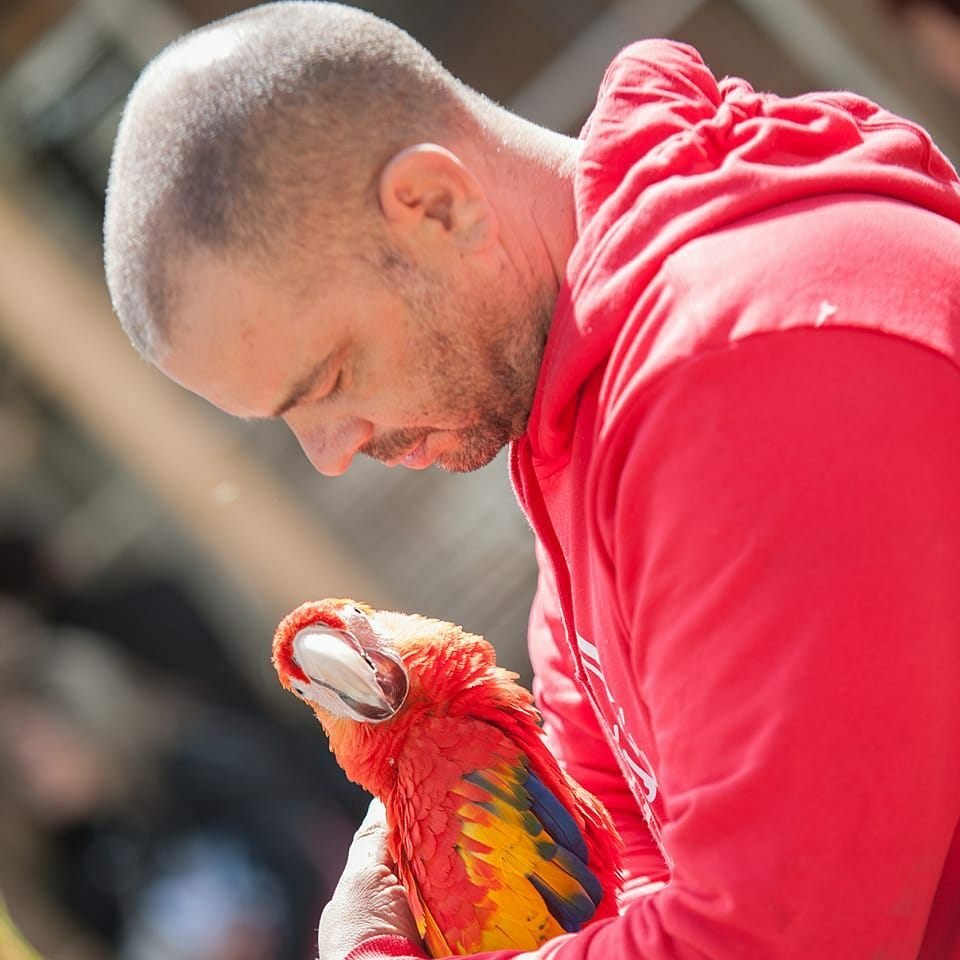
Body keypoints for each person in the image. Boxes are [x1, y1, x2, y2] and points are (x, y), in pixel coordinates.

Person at [101, 2, 960, 958]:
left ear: (437, 204)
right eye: (287, 423)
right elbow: (633, 880)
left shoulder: (741, 360)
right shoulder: (580, 423)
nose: (331, 452)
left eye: (332, 378)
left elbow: (771, 939)